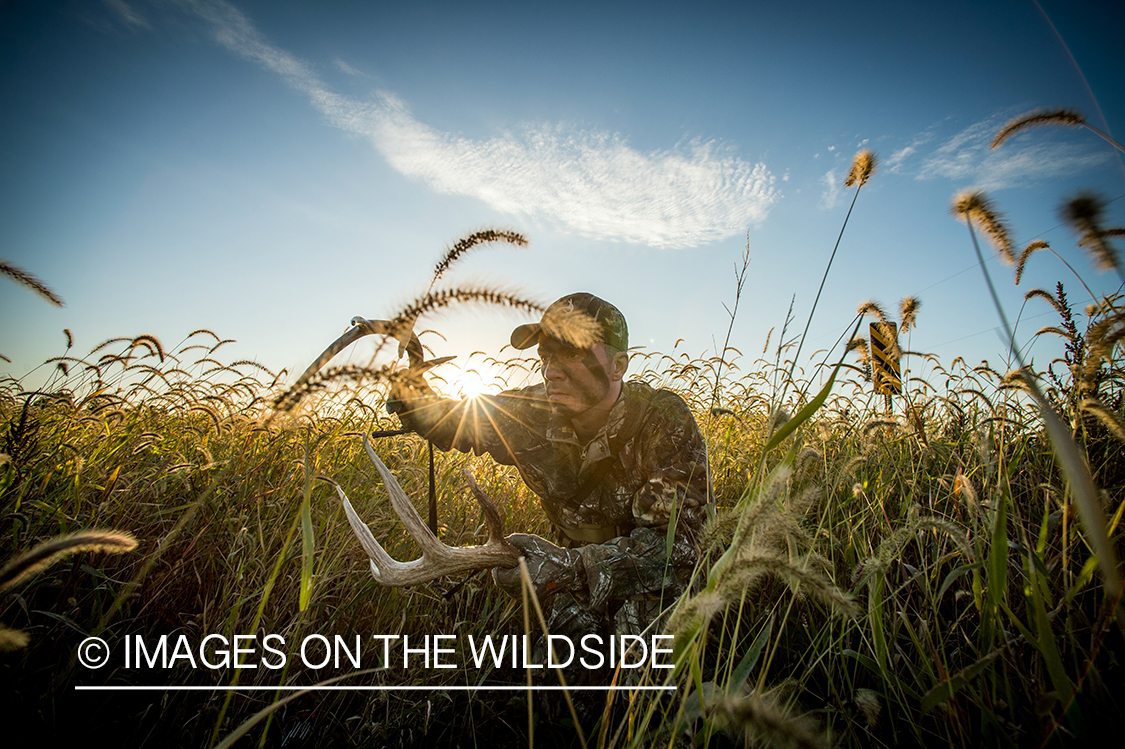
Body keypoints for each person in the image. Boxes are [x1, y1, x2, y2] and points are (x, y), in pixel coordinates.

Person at [387, 292, 713, 652]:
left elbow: (678, 549)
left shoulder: (664, 421)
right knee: (559, 673)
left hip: (654, 586)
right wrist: (413, 398)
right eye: (545, 355)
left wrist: (567, 566)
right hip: (566, 578)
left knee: (638, 675)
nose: (551, 370)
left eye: (572, 353)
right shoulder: (531, 410)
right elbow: (457, 420)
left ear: (618, 365)